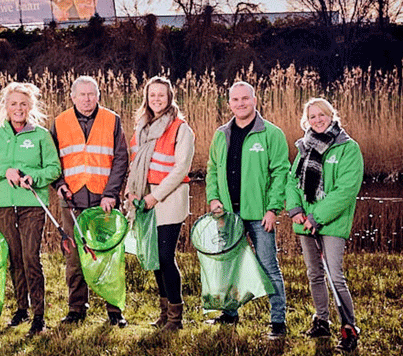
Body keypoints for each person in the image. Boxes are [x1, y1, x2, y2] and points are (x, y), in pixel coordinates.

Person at [205, 81, 290, 339]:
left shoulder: (271, 134)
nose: (240, 103)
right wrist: (213, 200)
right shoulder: (221, 134)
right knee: (229, 265)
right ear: (229, 103)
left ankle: (278, 321)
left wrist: (273, 209)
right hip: (228, 215)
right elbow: (211, 169)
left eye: (245, 99)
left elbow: (280, 173)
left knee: (268, 267)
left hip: (259, 215)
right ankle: (230, 314)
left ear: (255, 100)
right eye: (235, 100)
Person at [0, 82, 61, 336]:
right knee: (14, 258)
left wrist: (33, 177)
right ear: (5, 106)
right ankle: (20, 309)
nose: (18, 108)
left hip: (32, 205)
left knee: (30, 257)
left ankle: (39, 315)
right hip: (2, 205)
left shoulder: (41, 135)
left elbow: (54, 169)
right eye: (13, 103)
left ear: (31, 107)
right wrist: (6, 171)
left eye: (23, 104)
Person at [51, 76, 129, 328]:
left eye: (91, 94)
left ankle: (114, 310)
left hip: (103, 200)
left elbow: (120, 159)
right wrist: (59, 184)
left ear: (98, 95)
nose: (87, 99)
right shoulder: (60, 122)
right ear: (72, 97)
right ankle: (76, 309)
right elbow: (52, 162)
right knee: (74, 257)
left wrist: (111, 194)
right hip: (71, 200)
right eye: (82, 94)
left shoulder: (112, 120)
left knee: (108, 256)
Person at [287, 98, 362, 352]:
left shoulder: (348, 148)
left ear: (331, 116)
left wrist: (316, 217)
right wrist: (295, 209)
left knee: (335, 276)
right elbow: (292, 181)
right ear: (306, 121)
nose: (318, 120)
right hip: (305, 222)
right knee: (314, 274)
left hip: (330, 223)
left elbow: (346, 191)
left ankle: (349, 328)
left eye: (322, 115)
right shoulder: (305, 147)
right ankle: (321, 321)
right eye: (313, 116)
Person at [126, 76, 195, 331]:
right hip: (143, 198)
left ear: (169, 98)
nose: (156, 99)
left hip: (167, 199)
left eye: (161, 95)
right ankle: (164, 313)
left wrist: (154, 197)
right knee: (154, 257)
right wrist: (131, 194)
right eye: (152, 95)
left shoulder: (180, 128)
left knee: (166, 257)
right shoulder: (142, 127)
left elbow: (181, 169)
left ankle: (176, 317)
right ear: (146, 98)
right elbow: (135, 166)